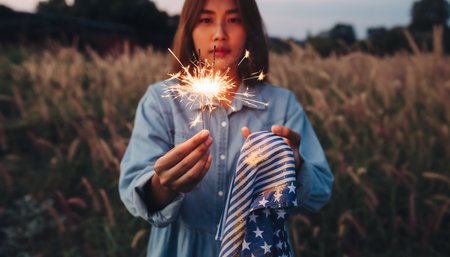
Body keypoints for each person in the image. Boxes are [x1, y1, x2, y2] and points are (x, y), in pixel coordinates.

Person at [119, 0, 334, 256]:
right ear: (189, 30)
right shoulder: (162, 101)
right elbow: (134, 190)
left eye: (234, 19)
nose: (220, 33)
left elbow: (320, 190)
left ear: (250, 29)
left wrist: (295, 167)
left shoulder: (282, 104)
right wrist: (164, 185)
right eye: (206, 19)